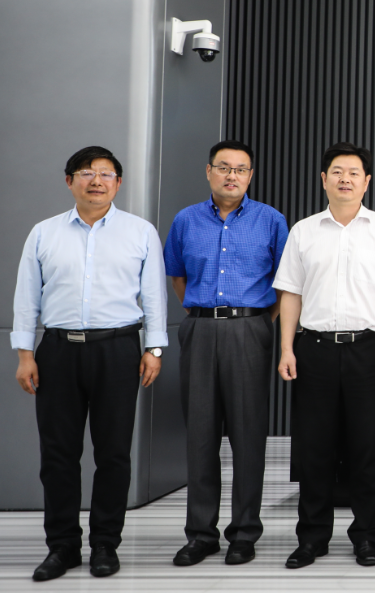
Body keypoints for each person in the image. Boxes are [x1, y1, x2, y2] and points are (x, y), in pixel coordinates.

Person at [14, 146, 167, 581]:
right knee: (58, 454)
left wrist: (154, 349)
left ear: (118, 183)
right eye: (85, 173)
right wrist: (25, 354)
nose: (96, 181)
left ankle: (105, 544)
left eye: (105, 173)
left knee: (113, 453)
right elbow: (27, 295)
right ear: (69, 182)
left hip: (117, 350)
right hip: (57, 351)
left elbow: (154, 294)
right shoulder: (44, 233)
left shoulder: (140, 232)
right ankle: (62, 546)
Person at [273, 142, 375, 569]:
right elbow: (290, 293)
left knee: (367, 448)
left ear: (367, 182)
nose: (345, 179)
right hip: (314, 350)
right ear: (324, 179)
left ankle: (366, 536)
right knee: (314, 449)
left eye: (353, 173)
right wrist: (287, 348)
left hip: (369, 349)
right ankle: (312, 538)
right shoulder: (304, 231)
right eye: (337, 171)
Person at [165, 140, 288, 567]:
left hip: (250, 329)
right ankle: (201, 534)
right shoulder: (186, 220)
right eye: (224, 167)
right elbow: (177, 277)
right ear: (209, 171)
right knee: (200, 436)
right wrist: (202, 314)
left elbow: (286, 282)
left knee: (248, 436)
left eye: (240, 169)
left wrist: (259, 322)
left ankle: (244, 533)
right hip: (199, 329)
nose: (231, 175)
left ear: (250, 176)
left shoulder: (271, 220)